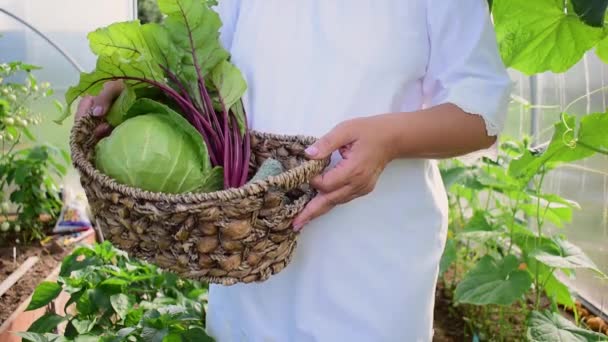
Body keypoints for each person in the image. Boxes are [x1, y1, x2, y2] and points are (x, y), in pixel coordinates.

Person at [76, 0, 512, 340]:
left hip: (372, 261)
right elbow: (208, 74)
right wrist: (133, 83)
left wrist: (390, 139)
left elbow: (480, 113)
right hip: (251, 250)